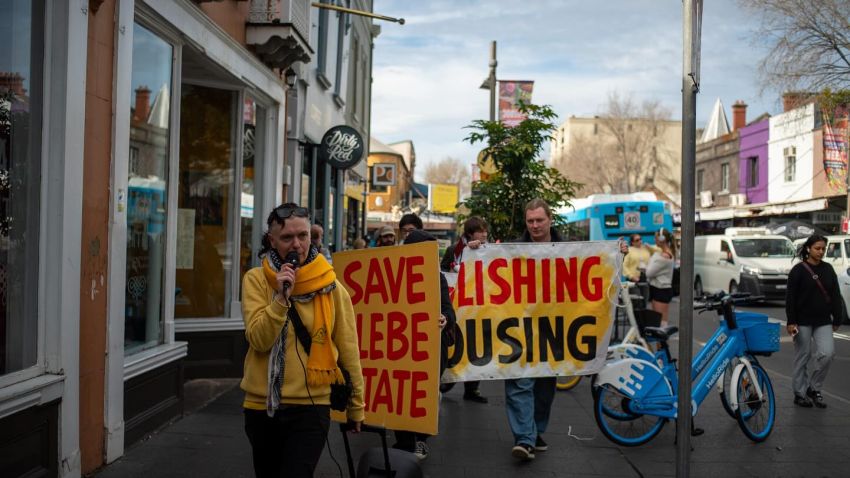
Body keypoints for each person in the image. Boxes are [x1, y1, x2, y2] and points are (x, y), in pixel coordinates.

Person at [240, 203, 365, 478]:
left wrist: (356, 406)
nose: (297, 244)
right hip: (263, 406)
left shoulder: (332, 287)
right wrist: (281, 299)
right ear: (271, 240)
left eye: (303, 235)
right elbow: (259, 340)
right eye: (287, 238)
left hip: (312, 406)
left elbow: (348, 349)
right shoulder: (256, 280)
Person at [391, 229, 456, 461]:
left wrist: (445, 318)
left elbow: (449, 310)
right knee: (402, 394)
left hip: (430, 349)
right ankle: (404, 442)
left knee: (422, 395)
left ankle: (420, 440)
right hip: (400, 347)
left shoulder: (437, 277)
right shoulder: (394, 274)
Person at [786, 234, 842, 408]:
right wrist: (791, 321)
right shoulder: (798, 270)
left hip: (823, 320)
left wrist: (837, 317)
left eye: (823, 249)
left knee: (827, 354)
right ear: (809, 249)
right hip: (802, 321)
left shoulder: (828, 269)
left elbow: (835, 295)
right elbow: (791, 298)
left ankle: (814, 388)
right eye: (817, 248)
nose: (821, 252)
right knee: (803, 356)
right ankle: (800, 393)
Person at [439, 216, 489, 403]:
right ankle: (446, 381)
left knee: (477, 347)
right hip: (460, 307)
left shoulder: (489, 249)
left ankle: (472, 388)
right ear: (470, 234)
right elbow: (444, 272)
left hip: (480, 307)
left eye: (485, 231)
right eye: (480, 231)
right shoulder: (455, 250)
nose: (484, 234)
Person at [645, 227, 676, 327]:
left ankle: (662, 343)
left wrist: (652, 259)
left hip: (661, 290)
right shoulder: (664, 253)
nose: (654, 240)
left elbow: (648, 273)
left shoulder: (664, 256)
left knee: (661, 321)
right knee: (659, 321)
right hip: (659, 289)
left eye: (656, 238)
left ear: (662, 239)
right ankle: (660, 343)